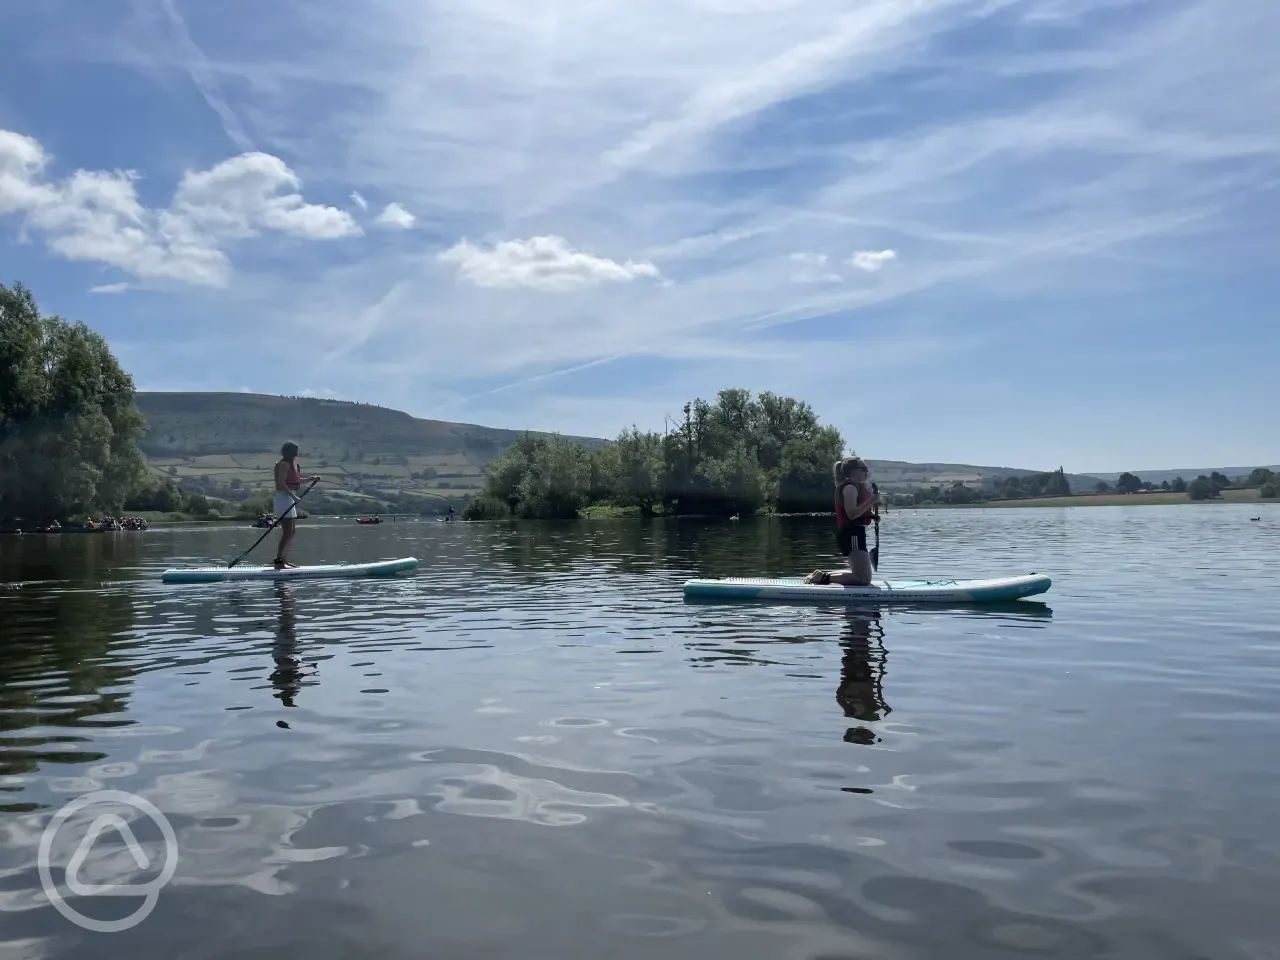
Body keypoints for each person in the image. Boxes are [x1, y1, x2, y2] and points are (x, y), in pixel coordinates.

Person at [806, 457, 878, 586]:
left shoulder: (853, 487)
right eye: (863, 469)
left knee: (862, 575)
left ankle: (822, 576)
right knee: (863, 579)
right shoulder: (850, 488)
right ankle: (823, 578)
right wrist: (871, 501)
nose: (866, 472)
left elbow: (856, 511)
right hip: (852, 534)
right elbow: (851, 514)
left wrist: (871, 515)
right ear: (853, 471)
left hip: (855, 533)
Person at [273, 442, 320, 569]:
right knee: (287, 531)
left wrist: (311, 479)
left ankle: (284, 560)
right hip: (283, 498)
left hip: (290, 498)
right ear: (288, 452)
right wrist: (293, 497)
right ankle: (278, 562)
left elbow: (297, 481)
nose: (297, 453)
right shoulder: (283, 465)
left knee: (292, 531)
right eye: (295, 451)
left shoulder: (294, 465)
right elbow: (281, 484)